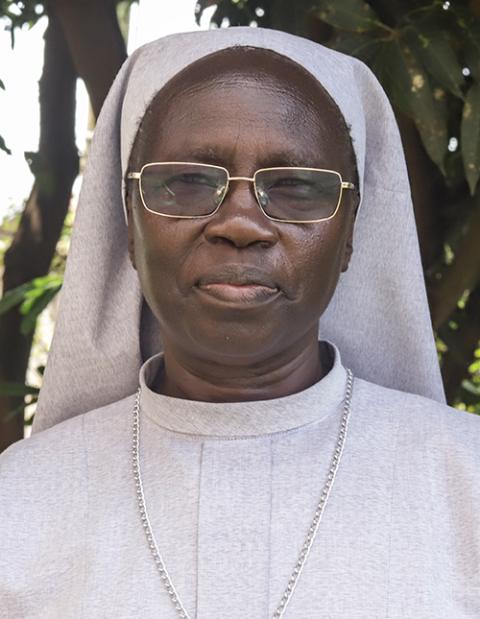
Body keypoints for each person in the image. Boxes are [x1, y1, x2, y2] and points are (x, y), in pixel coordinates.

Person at [1, 26, 479, 619]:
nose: (241, 224)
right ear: (128, 221)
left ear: (350, 233)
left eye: (297, 186)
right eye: (188, 181)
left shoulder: (468, 486)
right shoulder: (17, 505)